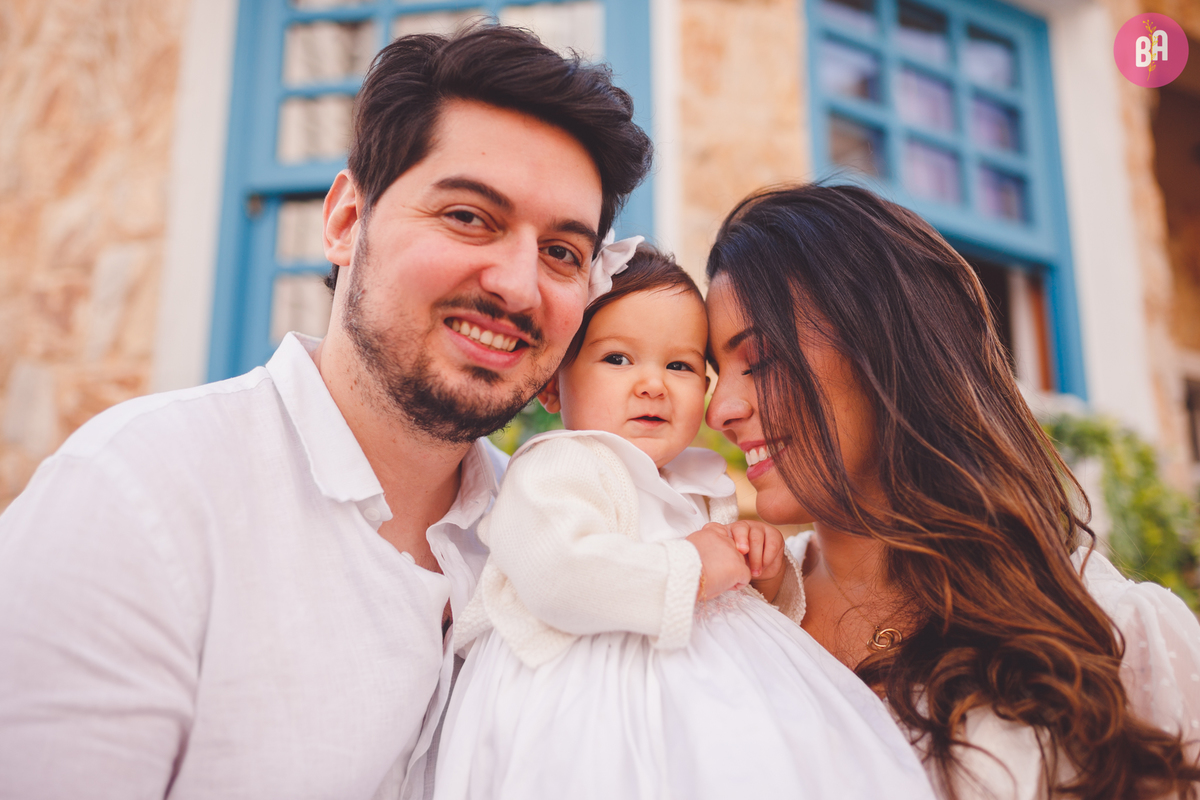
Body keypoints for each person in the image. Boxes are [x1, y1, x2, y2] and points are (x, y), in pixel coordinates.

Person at [0, 26, 652, 800]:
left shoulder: (564, 537)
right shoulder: (135, 496)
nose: (517, 285)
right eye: (469, 217)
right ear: (345, 221)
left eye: (564, 253)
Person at [703, 182, 1200, 799]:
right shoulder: (730, 614)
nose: (719, 408)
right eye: (711, 372)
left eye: (761, 359)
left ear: (883, 347)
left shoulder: (1114, 632)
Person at [431, 245, 937, 799]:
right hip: (584, 705)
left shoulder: (698, 483)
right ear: (553, 384)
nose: (653, 384)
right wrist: (692, 566)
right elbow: (556, 573)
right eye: (618, 359)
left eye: (680, 365)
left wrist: (759, 569)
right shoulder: (559, 466)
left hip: (696, 713)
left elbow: (747, 615)